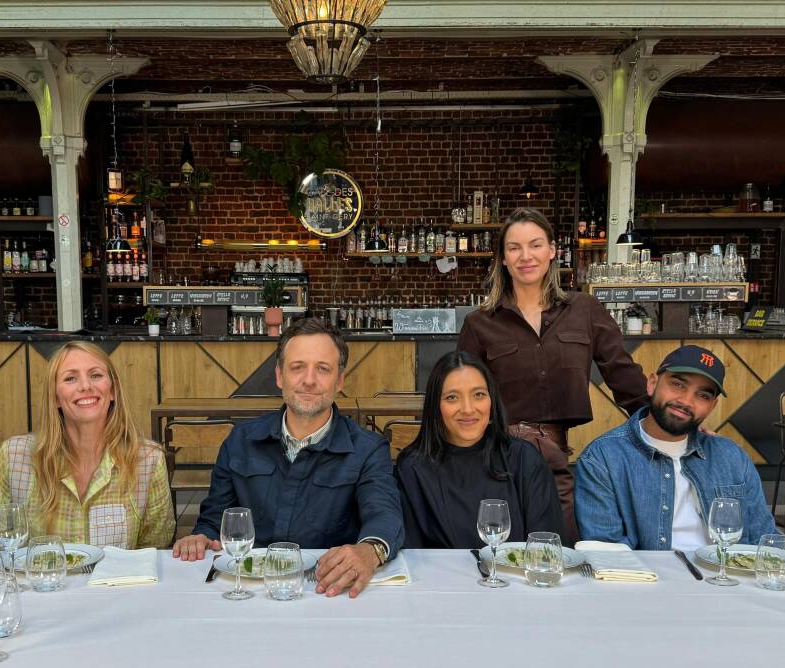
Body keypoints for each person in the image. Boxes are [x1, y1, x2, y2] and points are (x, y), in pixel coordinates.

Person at [172, 317, 404, 598]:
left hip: (327, 591)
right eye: (297, 368)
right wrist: (200, 537)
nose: (309, 380)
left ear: (339, 380)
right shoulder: (240, 442)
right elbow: (214, 519)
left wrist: (369, 551)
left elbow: (384, 515)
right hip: (249, 591)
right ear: (280, 376)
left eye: (323, 368)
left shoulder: (368, 449)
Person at [457, 207, 648, 541]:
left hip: (555, 456)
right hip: (497, 456)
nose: (525, 256)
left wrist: (659, 421)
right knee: (497, 550)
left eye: (535, 245)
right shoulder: (479, 322)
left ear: (552, 251)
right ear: (503, 258)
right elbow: (461, 391)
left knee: (563, 545)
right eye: (514, 248)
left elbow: (622, 372)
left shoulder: (584, 310)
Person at [574, 345, 774, 550]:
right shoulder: (602, 459)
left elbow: (764, 539)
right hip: (648, 579)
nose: (686, 401)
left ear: (712, 407)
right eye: (678, 385)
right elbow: (607, 552)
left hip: (724, 576)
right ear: (652, 384)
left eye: (703, 396)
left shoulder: (731, 457)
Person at [0, 341, 173, 550]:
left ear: (113, 391)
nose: (85, 386)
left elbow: (154, 549)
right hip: (41, 583)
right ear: (55, 397)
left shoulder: (148, 460)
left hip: (116, 583)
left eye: (96, 375)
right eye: (70, 378)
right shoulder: (14, 457)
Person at [396, 350, 564, 548]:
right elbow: (411, 559)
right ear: (435, 405)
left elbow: (546, 550)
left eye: (478, 395)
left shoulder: (524, 460)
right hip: (440, 579)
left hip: (514, 578)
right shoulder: (412, 468)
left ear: (491, 401)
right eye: (452, 397)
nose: (467, 408)